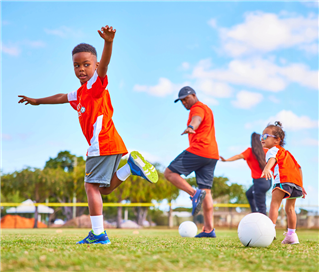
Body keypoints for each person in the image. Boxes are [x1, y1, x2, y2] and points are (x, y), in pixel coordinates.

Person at [18, 25, 158, 245]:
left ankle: (99, 234)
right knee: (105, 189)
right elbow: (62, 96)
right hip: (110, 144)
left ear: (95, 65)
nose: (81, 69)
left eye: (86, 64)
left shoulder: (95, 85)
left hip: (101, 144)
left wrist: (108, 42)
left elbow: (104, 67)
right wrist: (38, 100)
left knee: (90, 187)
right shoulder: (80, 93)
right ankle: (130, 167)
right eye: (77, 65)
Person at [164, 86, 219, 238]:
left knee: (169, 173)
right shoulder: (207, 108)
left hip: (199, 150)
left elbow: (197, 119)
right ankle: (209, 230)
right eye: (181, 101)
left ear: (194, 95)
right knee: (206, 191)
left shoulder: (197, 108)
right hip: (212, 154)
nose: (184, 103)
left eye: (186, 99)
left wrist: (190, 127)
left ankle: (194, 194)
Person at [260, 121, 307, 244]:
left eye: (265, 136)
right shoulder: (288, 154)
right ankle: (292, 235)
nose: (262, 139)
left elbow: (272, 159)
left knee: (274, 204)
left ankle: (270, 231)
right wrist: (301, 185)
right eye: (261, 136)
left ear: (277, 140)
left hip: (284, 179)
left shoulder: (273, 150)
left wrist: (267, 168)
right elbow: (299, 168)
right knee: (290, 208)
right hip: (296, 182)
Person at [220, 133, 272, 215]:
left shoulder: (250, 151)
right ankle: (254, 213)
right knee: (249, 194)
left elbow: (238, 156)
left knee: (261, 208)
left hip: (259, 182)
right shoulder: (265, 150)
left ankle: (262, 223)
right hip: (268, 181)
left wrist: (226, 160)